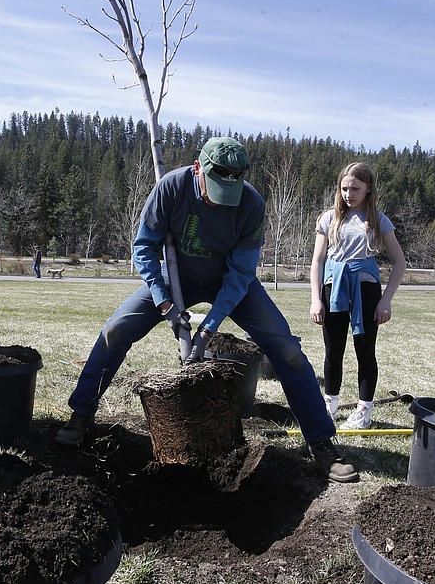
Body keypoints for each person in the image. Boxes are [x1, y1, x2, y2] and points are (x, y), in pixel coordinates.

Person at [56, 136, 358, 483]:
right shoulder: (171, 188)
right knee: (115, 329)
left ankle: (320, 441)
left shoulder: (250, 203)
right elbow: (144, 246)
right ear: (198, 168)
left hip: (230, 282)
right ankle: (81, 414)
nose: (221, 203)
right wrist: (163, 300)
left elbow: (242, 272)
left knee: (287, 350)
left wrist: (210, 326)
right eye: (215, 189)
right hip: (175, 278)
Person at [309, 162, 406, 429]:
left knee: (365, 350)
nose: (348, 194)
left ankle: (364, 410)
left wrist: (386, 300)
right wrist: (316, 299)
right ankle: (330, 405)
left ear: (368, 188)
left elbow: (399, 263)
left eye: (355, 188)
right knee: (333, 350)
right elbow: (317, 261)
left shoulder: (378, 220)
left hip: (366, 289)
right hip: (334, 286)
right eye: (344, 188)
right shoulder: (328, 218)